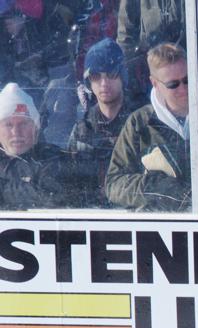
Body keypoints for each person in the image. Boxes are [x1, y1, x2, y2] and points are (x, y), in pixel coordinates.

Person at [105, 42, 198, 212]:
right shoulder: (139, 123)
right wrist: (158, 187)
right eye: (173, 84)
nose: (184, 89)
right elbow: (114, 184)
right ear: (155, 83)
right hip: (160, 222)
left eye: (188, 80)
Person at [67, 39, 142, 205]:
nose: (104, 83)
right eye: (96, 76)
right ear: (88, 81)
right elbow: (72, 186)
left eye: (111, 74)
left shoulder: (140, 124)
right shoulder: (82, 131)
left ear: (122, 76)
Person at [0, 82, 92, 209]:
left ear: (35, 129)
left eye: (23, 124)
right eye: (8, 125)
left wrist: (3, 188)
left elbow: (50, 195)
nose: (16, 132)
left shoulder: (53, 159)